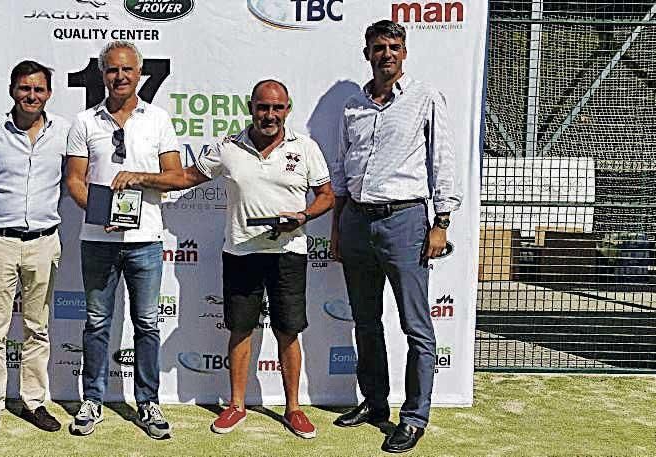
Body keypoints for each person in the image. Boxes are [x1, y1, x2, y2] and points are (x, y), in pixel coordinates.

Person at [111, 79, 335, 439]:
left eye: (278, 108)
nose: (270, 115)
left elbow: (327, 195)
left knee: (288, 331)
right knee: (240, 329)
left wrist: (305, 216)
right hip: (241, 253)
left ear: (288, 110)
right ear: (251, 107)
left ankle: (294, 408)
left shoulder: (306, 147)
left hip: (288, 253)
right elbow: (185, 177)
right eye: (263, 107)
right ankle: (236, 405)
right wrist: (141, 178)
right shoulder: (228, 147)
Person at [329, 20, 461, 453]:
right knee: (366, 322)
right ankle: (374, 402)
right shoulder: (352, 106)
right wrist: (336, 227)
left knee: (416, 326)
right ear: (366, 53)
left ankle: (415, 416)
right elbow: (343, 172)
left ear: (404, 52)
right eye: (379, 47)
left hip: (404, 221)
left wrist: (441, 222)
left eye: (394, 46)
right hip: (355, 222)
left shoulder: (425, 98)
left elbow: (442, 161)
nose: (387, 53)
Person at [64, 41, 182, 440]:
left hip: (146, 239)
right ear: (103, 74)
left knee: (147, 324)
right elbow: (74, 182)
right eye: (112, 70)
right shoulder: (84, 122)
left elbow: (175, 177)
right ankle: (92, 399)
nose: (119, 77)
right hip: (97, 239)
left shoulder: (159, 119)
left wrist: (139, 177)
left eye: (127, 70)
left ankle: (148, 402)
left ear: (139, 73)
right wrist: (100, 214)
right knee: (97, 322)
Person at [0, 60, 69, 441]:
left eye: (38, 90)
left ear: (48, 94)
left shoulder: (63, 134)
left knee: (37, 328)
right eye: (25, 88)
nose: (31, 96)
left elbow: (76, 179)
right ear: (12, 90)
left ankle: (35, 402)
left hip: (44, 242)